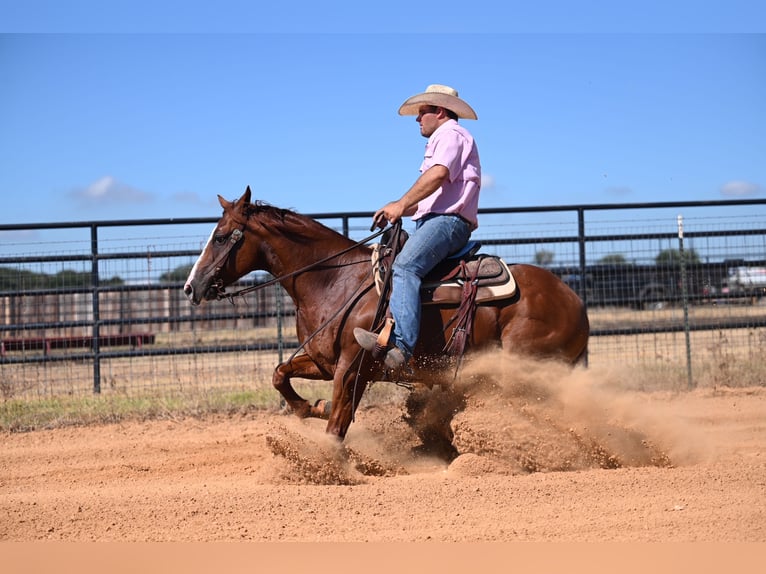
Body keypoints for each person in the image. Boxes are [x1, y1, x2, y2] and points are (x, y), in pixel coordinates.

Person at [354, 84, 482, 369]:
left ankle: (401, 347)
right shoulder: (444, 138)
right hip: (437, 219)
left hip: (447, 223)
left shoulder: (451, 134)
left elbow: (437, 175)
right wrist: (398, 207)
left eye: (422, 112)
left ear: (439, 111)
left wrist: (400, 204)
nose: (417, 119)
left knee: (405, 267)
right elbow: (431, 196)